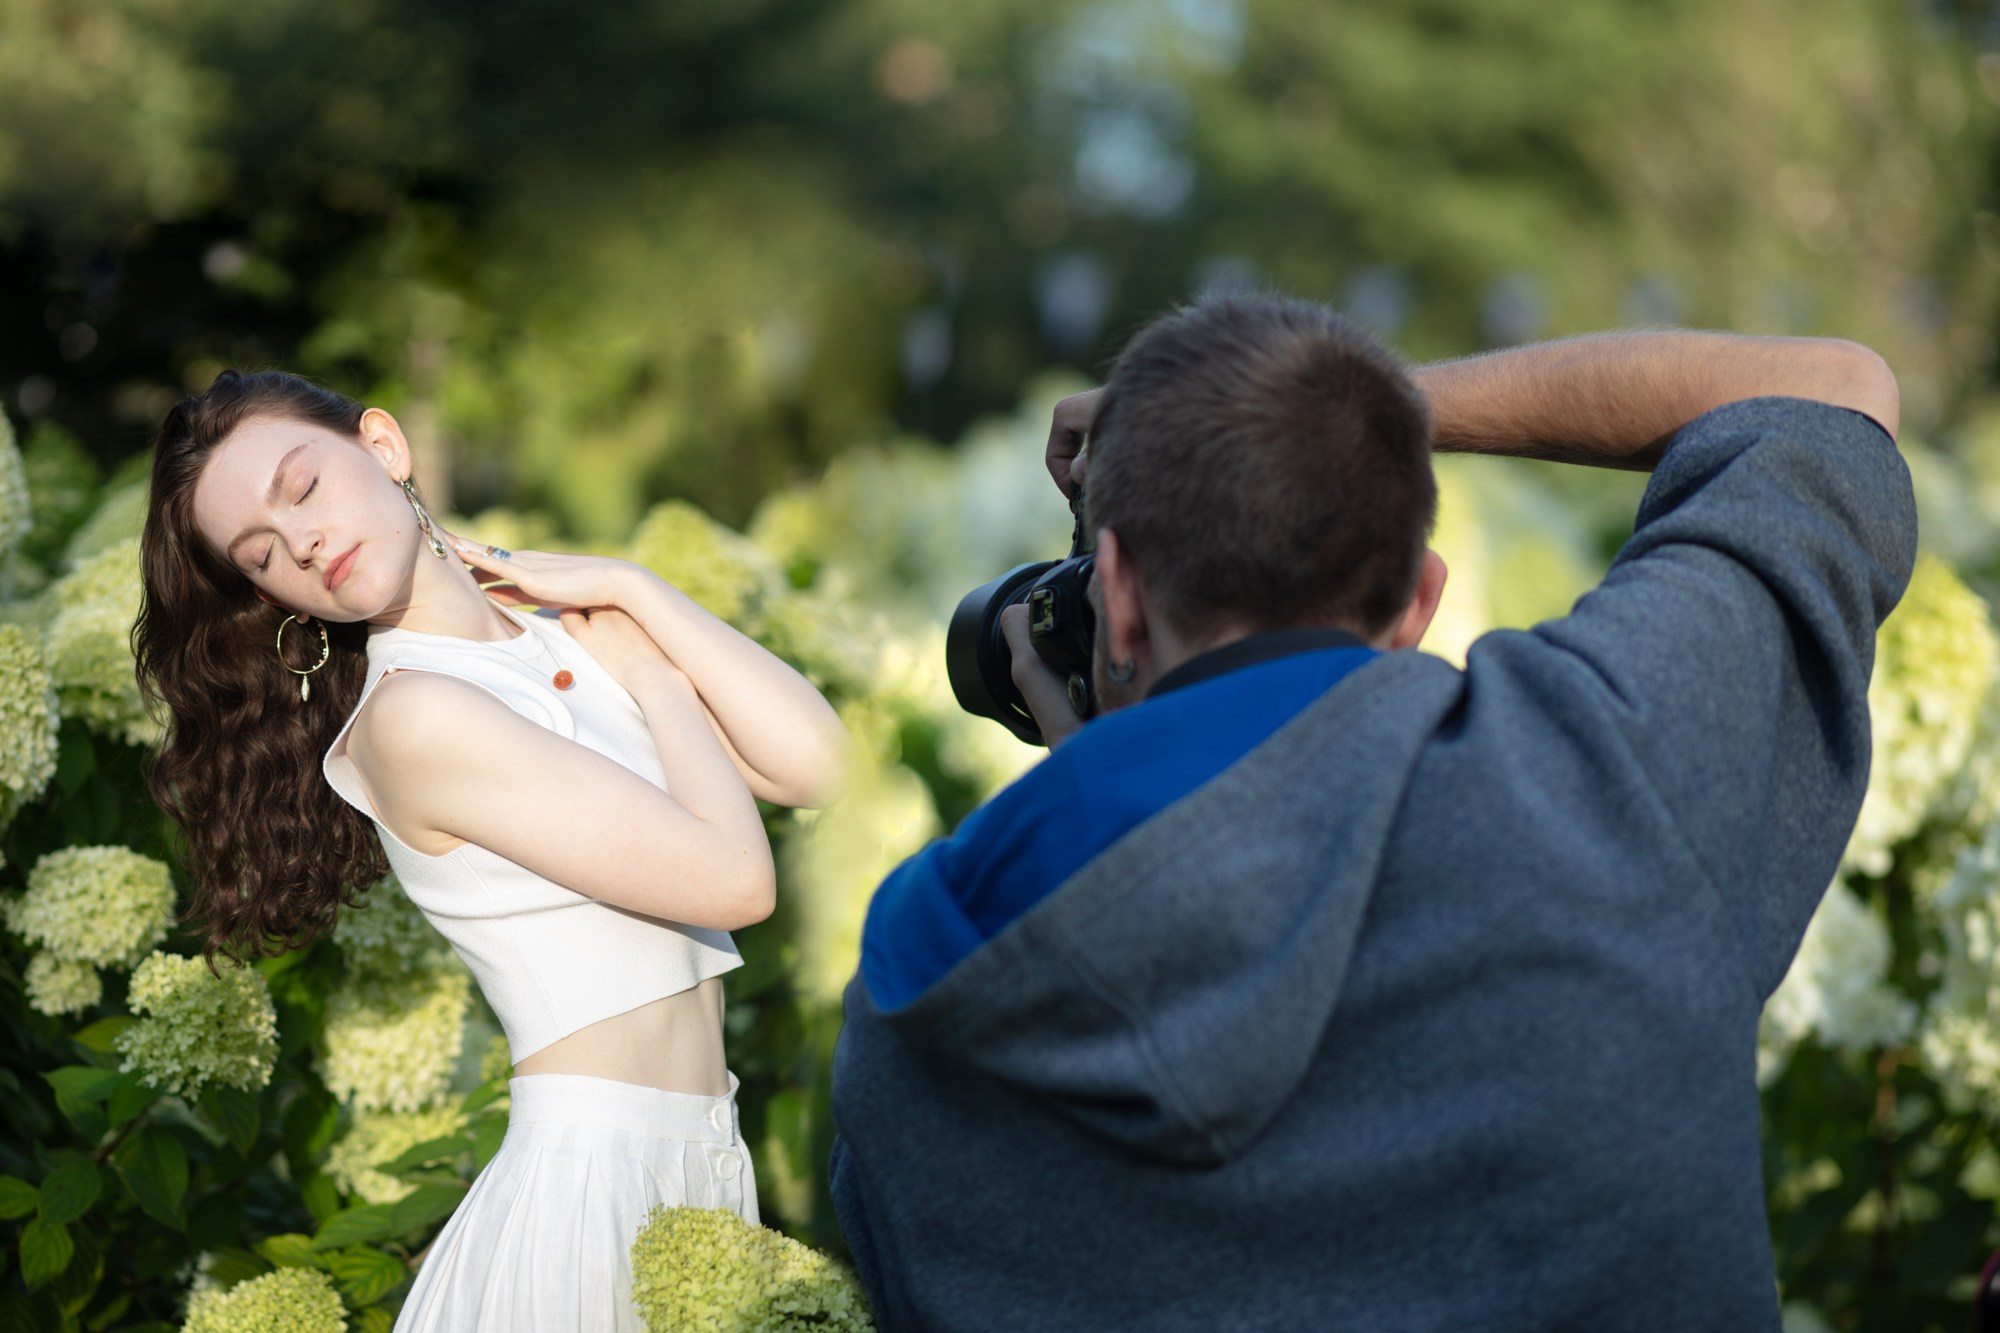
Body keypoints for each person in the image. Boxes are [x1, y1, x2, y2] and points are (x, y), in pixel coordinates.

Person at [826, 295, 1912, 1331]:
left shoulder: (917, 992)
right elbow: (1832, 388)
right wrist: (1368, 417)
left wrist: (1104, 796)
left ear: (1111, 591)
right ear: (1419, 597)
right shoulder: (1607, 761)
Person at [134, 372, 848, 1332]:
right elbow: (736, 880)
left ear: (383, 447)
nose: (299, 541)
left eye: (302, 488)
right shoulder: (413, 718)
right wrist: (661, 684)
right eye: (260, 554)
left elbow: (814, 765)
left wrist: (629, 585)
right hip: (590, 1199)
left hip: (700, 1161)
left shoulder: (564, 629)